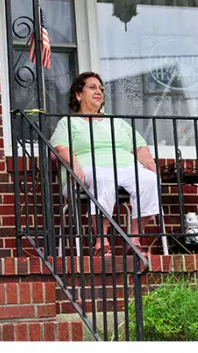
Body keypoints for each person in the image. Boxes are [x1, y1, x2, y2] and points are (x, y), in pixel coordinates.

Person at [50, 72, 159, 257]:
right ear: (78, 94)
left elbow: (140, 146)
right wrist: (74, 164)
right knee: (105, 177)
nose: (98, 91)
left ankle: (134, 238)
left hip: (126, 167)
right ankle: (101, 240)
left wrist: (148, 161)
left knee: (149, 179)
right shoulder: (68, 123)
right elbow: (59, 149)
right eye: (92, 87)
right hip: (87, 170)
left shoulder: (117, 122)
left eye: (101, 88)